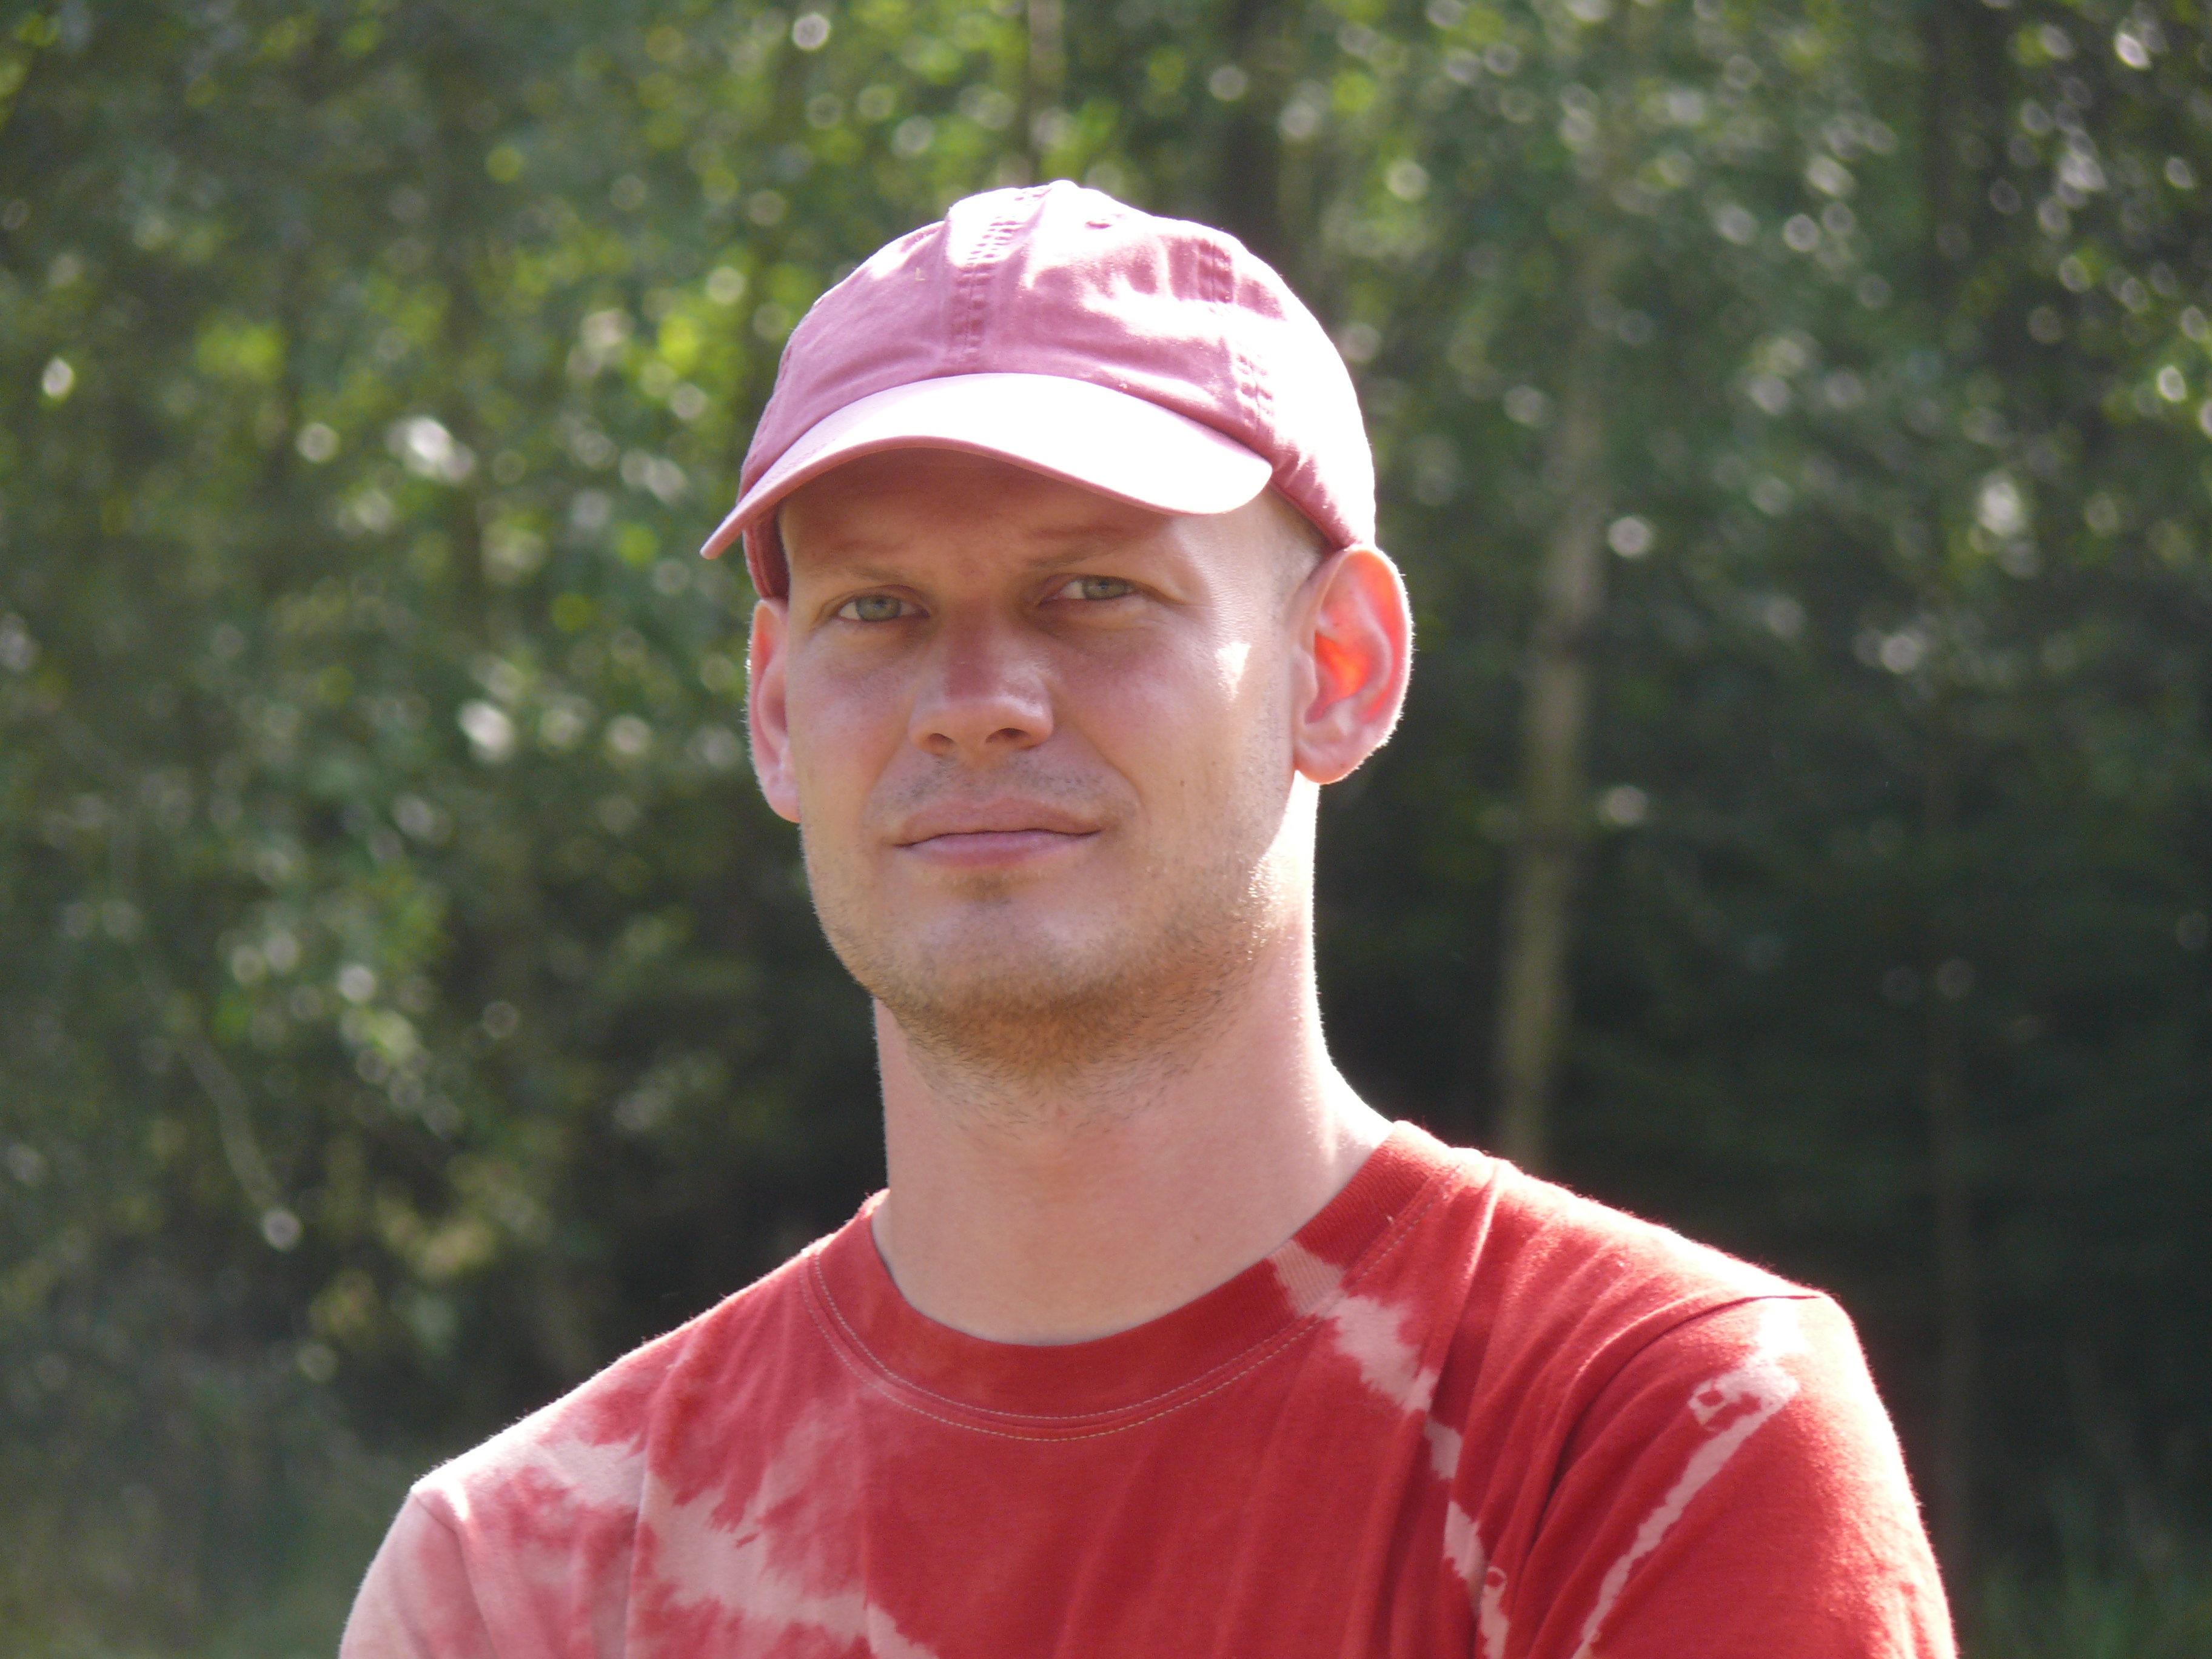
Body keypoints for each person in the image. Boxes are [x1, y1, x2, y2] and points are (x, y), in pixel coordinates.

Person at [341, 182, 1954, 1658]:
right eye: (878, 609)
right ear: (774, 714)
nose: (974, 700)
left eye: (1093, 591)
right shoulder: (521, 1578)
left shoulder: (1653, 1436)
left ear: (1339, 667)